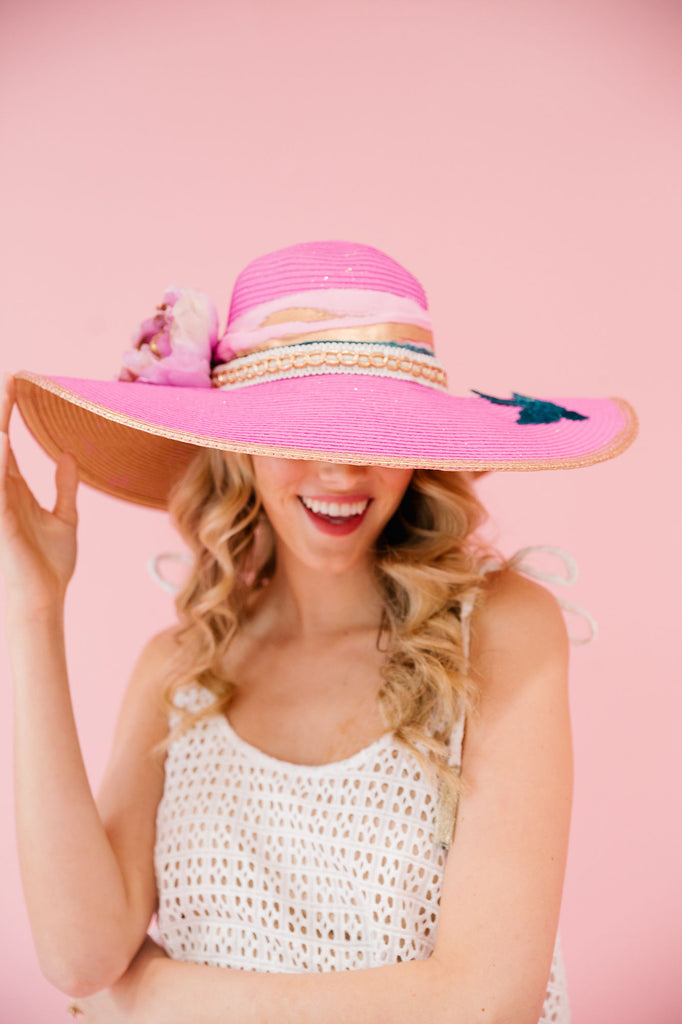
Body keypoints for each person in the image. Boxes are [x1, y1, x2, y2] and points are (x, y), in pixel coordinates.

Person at [1, 241, 637, 1024]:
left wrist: (151, 998)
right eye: (299, 429)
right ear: (237, 440)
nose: (341, 472)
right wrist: (34, 607)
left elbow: (484, 1003)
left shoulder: (502, 630)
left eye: (376, 434)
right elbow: (78, 957)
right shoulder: (178, 672)